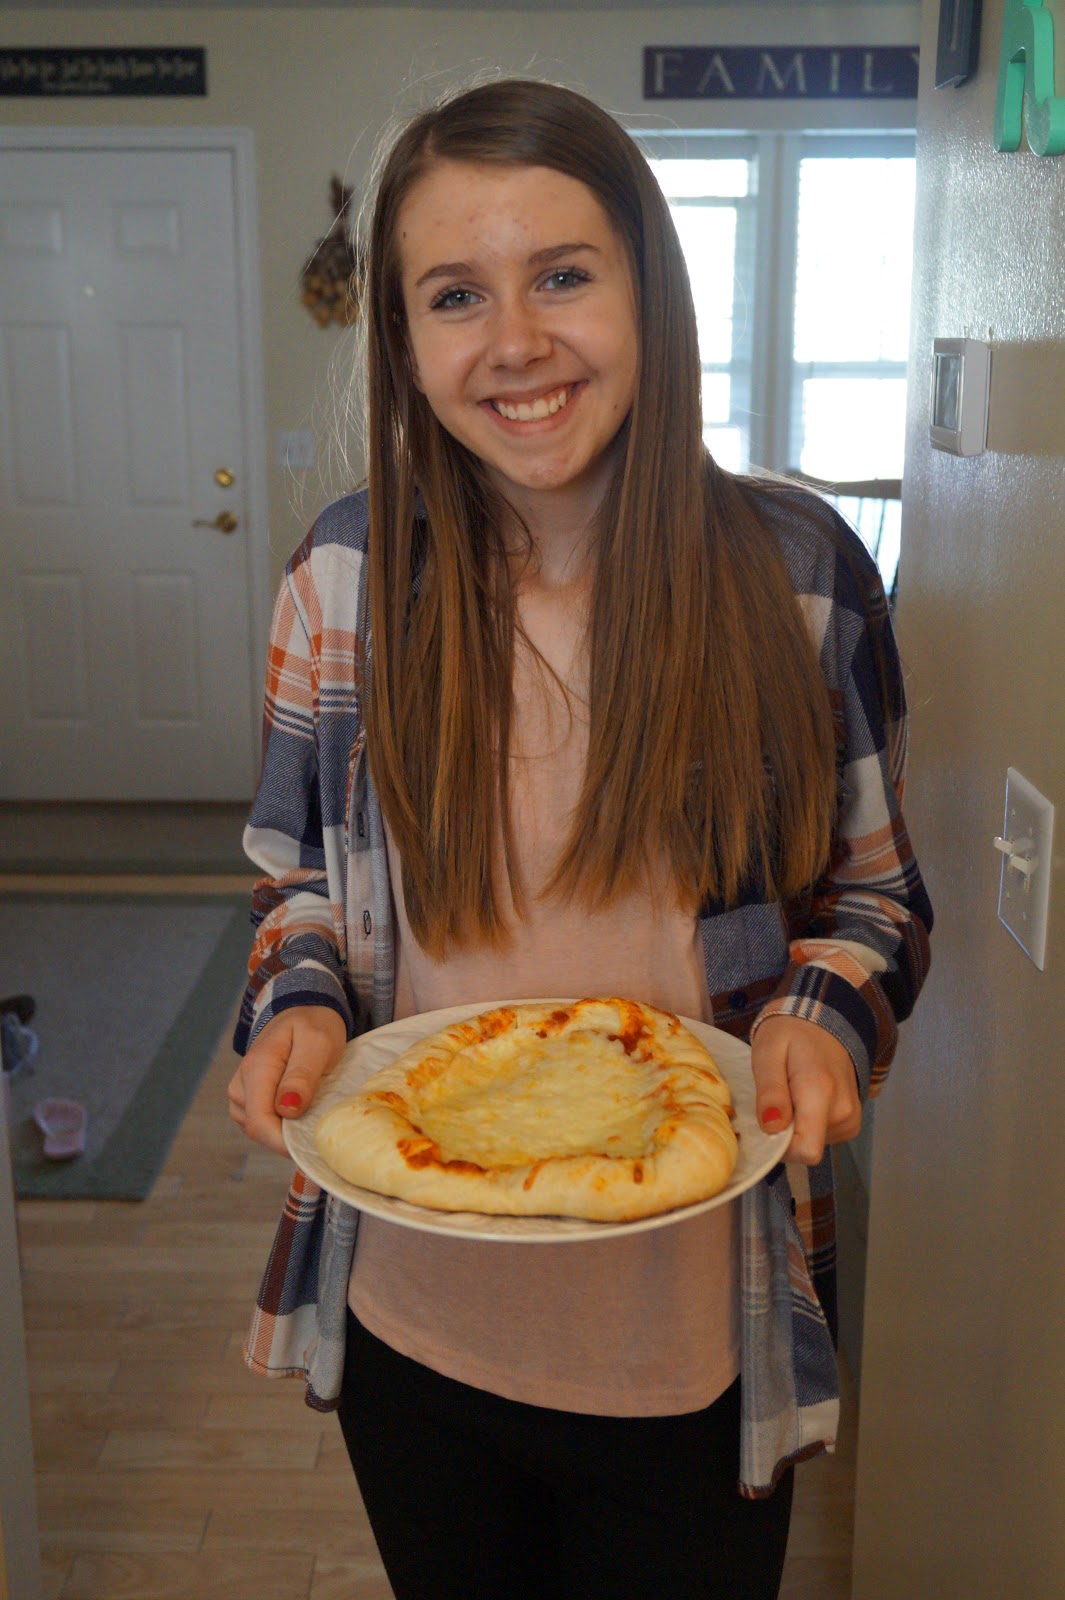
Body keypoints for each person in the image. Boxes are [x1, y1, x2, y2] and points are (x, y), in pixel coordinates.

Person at [227, 78, 932, 1600]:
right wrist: (293, 999)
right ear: (406, 348)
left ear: (648, 293)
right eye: (456, 295)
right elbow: (298, 888)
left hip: (695, 1332)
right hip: (411, 1307)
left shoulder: (799, 573)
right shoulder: (340, 577)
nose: (517, 340)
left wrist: (816, 1019)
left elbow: (873, 900)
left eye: (562, 274)